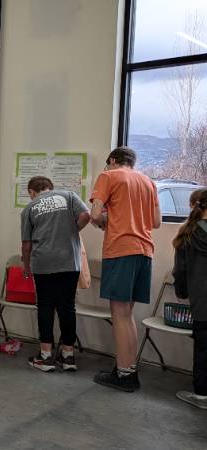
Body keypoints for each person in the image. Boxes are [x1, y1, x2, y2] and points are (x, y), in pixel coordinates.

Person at [90, 146, 161, 392]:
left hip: (121, 249)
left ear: (112, 160)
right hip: (144, 251)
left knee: (119, 314)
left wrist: (106, 220)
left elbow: (95, 214)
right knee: (127, 314)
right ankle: (128, 369)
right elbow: (156, 222)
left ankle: (124, 375)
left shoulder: (109, 176)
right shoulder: (148, 182)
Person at [20, 176, 90, 372]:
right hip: (69, 261)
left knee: (45, 306)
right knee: (67, 307)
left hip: (43, 263)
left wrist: (26, 267)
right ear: (50, 187)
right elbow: (86, 215)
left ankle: (46, 355)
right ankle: (68, 356)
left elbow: (26, 244)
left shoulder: (30, 207)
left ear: (32, 192)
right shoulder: (69, 196)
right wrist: (73, 230)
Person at [172, 188, 207, 409]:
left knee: (203, 349)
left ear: (193, 205)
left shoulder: (188, 234)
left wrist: (182, 292)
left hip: (202, 302)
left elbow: (180, 271)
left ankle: (202, 396)